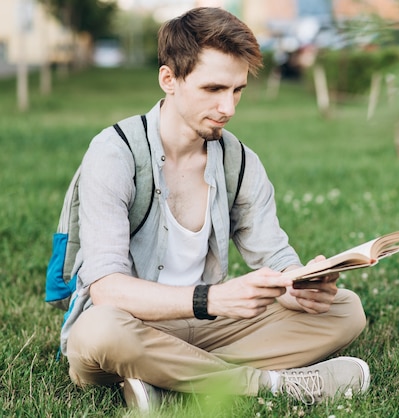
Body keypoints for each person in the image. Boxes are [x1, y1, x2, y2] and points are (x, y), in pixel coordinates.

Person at [60, 6, 369, 411]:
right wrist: (212, 299)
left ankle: (164, 380)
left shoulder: (239, 161)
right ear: (169, 79)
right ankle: (273, 384)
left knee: (347, 310)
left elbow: (274, 254)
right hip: (131, 325)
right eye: (213, 89)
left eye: (237, 90)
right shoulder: (114, 152)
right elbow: (106, 289)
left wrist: (299, 285)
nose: (229, 108)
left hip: (206, 329)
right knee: (97, 333)